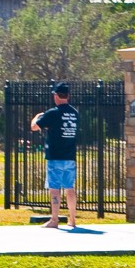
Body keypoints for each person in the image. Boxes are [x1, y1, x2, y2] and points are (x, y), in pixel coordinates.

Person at [31, 82, 79, 229]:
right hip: (69, 155)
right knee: (69, 188)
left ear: (56, 96)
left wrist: (37, 116)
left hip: (55, 156)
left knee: (55, 189)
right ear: (68, 96)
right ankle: (72, 220)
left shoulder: (53, 113)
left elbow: (34, 127)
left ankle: (54, 220)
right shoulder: (74, 113)